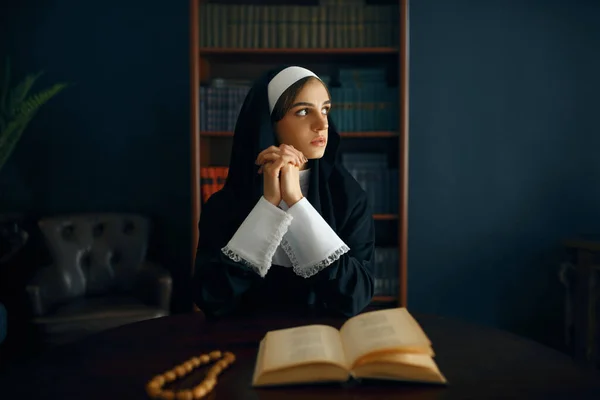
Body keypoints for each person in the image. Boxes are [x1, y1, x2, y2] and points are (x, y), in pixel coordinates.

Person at [192, 65, 375, 319]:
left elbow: (355, 297)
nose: (322, 124)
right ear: (270, 121)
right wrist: (268, 206)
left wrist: (296, 202)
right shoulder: (224, 205)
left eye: (325, 109)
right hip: (243, 344)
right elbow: (209, 297)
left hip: (324, 342)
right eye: (303, 111)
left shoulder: (350, 198)